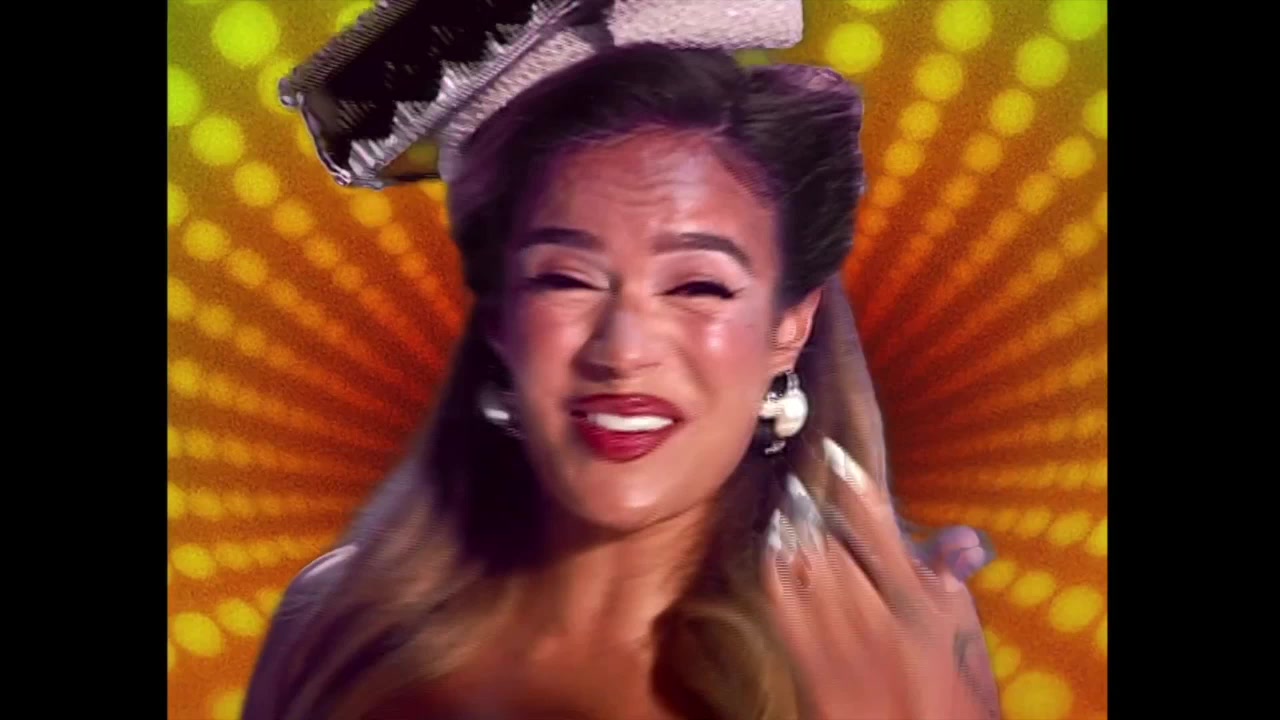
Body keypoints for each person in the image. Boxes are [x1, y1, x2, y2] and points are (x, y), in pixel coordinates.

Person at [246, 2, 999, 719]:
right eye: (565, 279)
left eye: (698, 286)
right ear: (501, 316)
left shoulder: (887, 651)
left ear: (789, 326)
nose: (624, 350)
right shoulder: (338, 627)